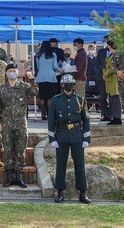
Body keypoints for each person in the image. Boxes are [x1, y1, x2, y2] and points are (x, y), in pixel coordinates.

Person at [48, 74, 92, 204]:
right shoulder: (55, 100)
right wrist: (52, 138)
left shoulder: (80, 100)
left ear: (74, 85)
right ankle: (60, 192)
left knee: (80, 164)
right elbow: (51, 121)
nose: (68, 87)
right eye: (65, 84)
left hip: (77, 134)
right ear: (62, 85)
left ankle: (82, 192)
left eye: (70, 84)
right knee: (61, 165)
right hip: (62, 134)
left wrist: (86, 138)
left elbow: (86, 120)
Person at [0, 64, 38, 188]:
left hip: (20, 124)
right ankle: (9, 176)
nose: (12, 73)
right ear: (6, 73)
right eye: (10, 71)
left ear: (17, 72)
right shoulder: (2, 88)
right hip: (7, 124)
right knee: (8, 150)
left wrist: (32, 79)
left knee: (20, 150)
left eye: (14, 71)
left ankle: (19, 176)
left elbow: (35, 92)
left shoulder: (24, 86)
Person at [34, 41, 60, 120]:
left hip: (41, 77)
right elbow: (55, 66)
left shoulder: (38, 56)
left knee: (42, 97)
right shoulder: (53, 55)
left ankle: (42, 115)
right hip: (51, 77)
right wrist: (61, 69)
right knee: (50, 97)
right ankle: (49, 114)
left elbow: (38, 67)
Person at [103, 40, 123, 125]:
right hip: (110, 80)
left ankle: (117, 118)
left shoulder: (116, 54)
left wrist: (105, 74)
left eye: (107, 44)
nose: (106, 46)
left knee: (116, 100)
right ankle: (114, 117)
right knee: (112, 100)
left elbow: (113, 67)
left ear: (110, 45)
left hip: (114, 79)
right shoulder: (111, 54)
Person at [95, 36, 112, 122]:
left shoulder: (115, 52)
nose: (106, 43)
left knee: (113, 97)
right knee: (103, 97)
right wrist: (103, 72)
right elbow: (97, 64)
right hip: (102, 78)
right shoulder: (101, 51)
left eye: (107, 41)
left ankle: (114, 114)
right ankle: (105, 114)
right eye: (105, 41)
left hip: (112, 78)